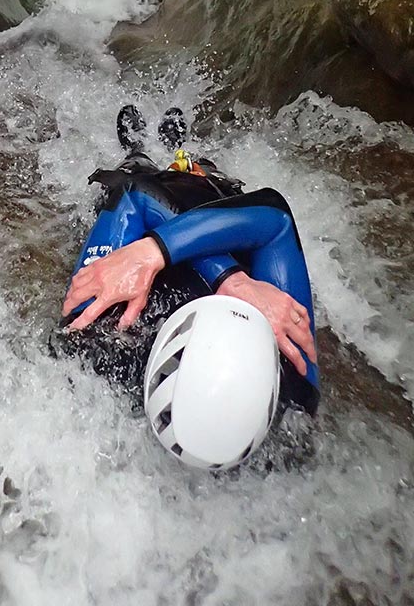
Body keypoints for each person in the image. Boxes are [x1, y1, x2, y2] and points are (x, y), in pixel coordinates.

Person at [56, 105, 319, 418]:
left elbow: (134, 196)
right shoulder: (293, 382)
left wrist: (147, 254)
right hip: (227, 215)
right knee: (210, 177)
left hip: (152, 208)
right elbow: (276, 218)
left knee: (133, 174)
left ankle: (138, 150)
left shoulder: (94, 351)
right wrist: (233, 279)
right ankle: (182, 152)